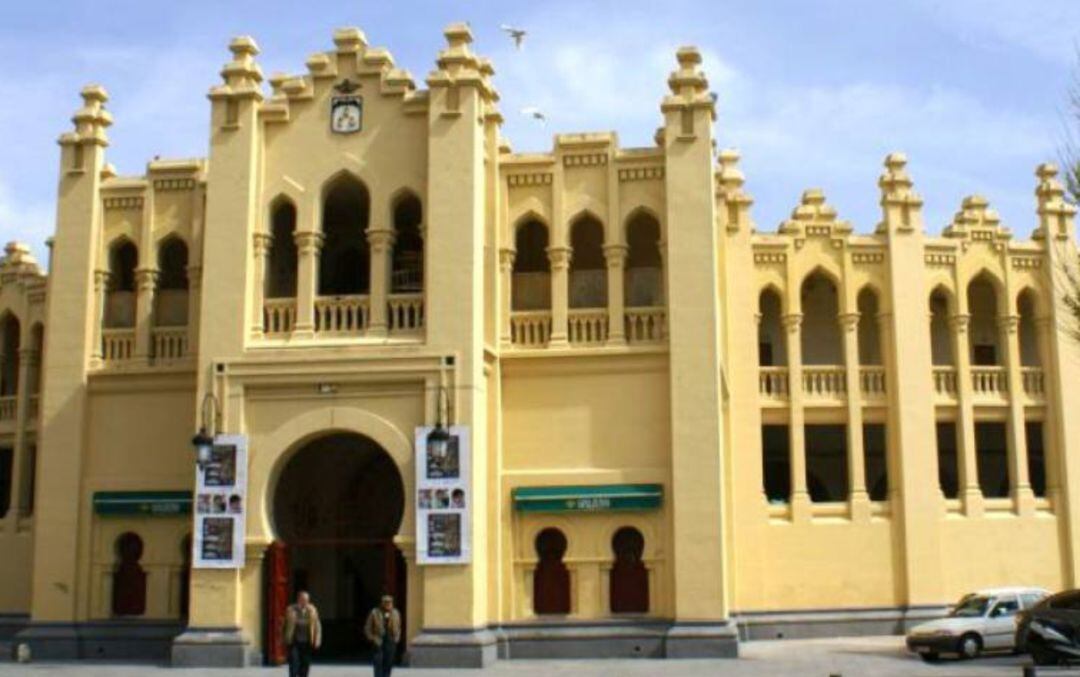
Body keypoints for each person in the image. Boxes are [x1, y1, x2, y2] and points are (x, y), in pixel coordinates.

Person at [282, 591, 321, 677]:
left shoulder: (312, 610)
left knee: (305, 663)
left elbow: (317, 626)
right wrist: (284, 638)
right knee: (293, 662)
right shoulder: (290, 609)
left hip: (307, 641)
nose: (304, 602)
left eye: (306, 600)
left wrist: (317, 640)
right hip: (294, 641)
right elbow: (284, 624)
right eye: (303, 599)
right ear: (298, 599)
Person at [364, 594, 401, 677]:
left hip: (390, 640)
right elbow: (367, 627)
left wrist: (397, 637)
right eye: (386, 602)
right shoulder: (375, 612)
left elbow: (398, 626)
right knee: (378, 663)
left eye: (390, 602)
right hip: (378, 640)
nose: (388, 604)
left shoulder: (395, 613)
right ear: (382, 603)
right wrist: (372, 638)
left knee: (388, 663)